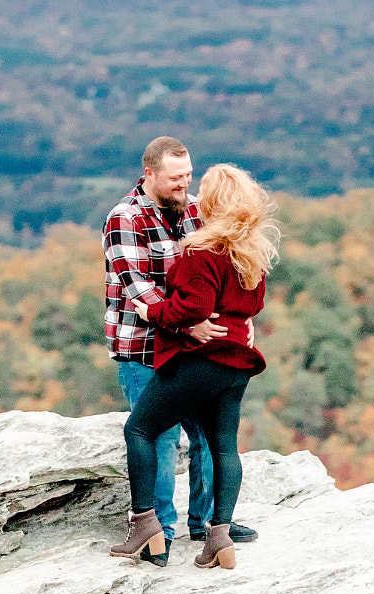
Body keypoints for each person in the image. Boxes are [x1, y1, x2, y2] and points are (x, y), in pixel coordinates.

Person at [111, 163, 276, 571]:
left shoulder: (202, 252)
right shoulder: (250, 249)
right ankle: (217, 535)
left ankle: (146, 524)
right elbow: (250, 305)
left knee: (141, 429)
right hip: (238, 363)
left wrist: (156, 312)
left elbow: (193, 309)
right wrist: (238, 323)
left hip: (204, 361)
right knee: (222, 445)